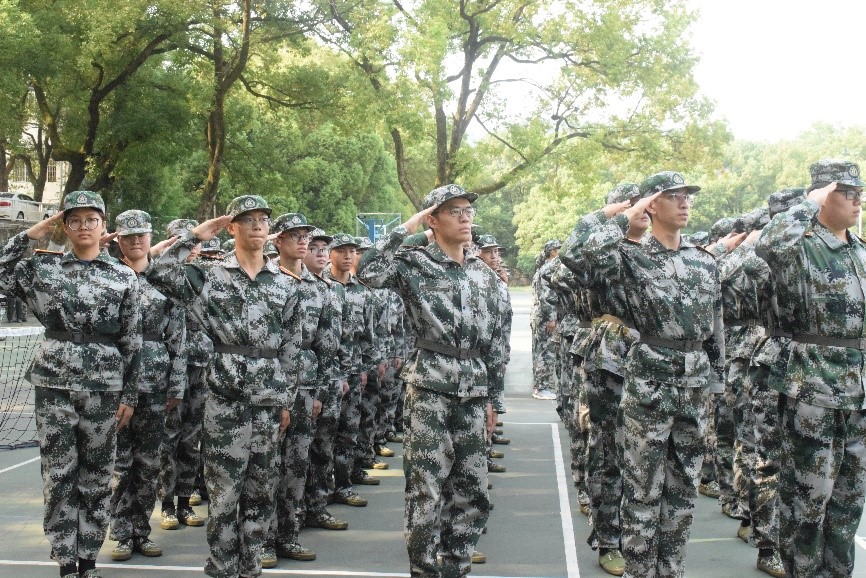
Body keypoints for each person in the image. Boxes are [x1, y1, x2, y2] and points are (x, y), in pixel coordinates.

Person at [576, 171, 733, 578]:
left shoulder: (703, 260)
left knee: (682, 492)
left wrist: (717, 381)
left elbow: (715, 325)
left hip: (694, 384)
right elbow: (581, 253)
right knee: (643, 491)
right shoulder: (630, 257)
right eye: (673, 196)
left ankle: (671, 570)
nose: (684, 203)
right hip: (650, 382)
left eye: (687, 196)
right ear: (651, 205)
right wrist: (622, 215)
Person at [146, 195, 301, 578]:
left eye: (263, 219)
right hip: (225, 402)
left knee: (261, 492)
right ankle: (221, 567)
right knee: (224, 494)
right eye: (247, 219)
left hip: (268, 403)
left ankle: (250, 568)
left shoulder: (285, 284)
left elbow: (290, 348)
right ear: (231, 227)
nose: (257, 225)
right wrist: (195, 235)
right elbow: (157, 270)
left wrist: (287, 401)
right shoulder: (210, 277)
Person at [357, 184, 506, 578]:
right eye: (454, 211)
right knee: (426, 489)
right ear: (433, 220)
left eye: (468, 210)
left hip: (473, 391)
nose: (465, 217)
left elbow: (495, 341)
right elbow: (367, 270)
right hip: (429, 389)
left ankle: (457, 566)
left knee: (473, 490)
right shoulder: (414, 264)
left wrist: (494, 399)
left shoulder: (483, 274)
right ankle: (423, 570)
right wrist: (407, 229)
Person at [0, 190, 141, 578]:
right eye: (74, 220)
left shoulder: (123, 276)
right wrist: (33, 232)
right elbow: (2, 269)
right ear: (64, 225)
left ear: (103, 224)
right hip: (54, 385)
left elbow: (132, 339)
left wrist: (129, 394)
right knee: (58, 474)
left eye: (91, 220)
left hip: (104, 388)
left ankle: (89, 558)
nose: (83, 227)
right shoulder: (43, 269)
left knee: (96, 475)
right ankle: (65, 558)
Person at [756, 160, 866, 578]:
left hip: (858, 394)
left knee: (848, 504)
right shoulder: (798, 246)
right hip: (813, 388)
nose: (858, 201)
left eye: (860, 193)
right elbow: (767, 244)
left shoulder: (860, 251)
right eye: (848, 193)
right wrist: (809, 202)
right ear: (823, 196)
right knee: (807, 502)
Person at [562, 182, 647, 576]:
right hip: (611, 358)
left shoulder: (660, 250)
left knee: (648, 456)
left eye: (648, 203)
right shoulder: (602, 252)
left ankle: (641, 537)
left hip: (655, 360)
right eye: (634, 204)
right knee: (610, 452)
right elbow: (573, 252)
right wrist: (609, 217)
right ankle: (609, 538)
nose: (643, 210)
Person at [109, 210, 187, 562]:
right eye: (128, 236)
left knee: (149, 462)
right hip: (116, 382)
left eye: (141, 234)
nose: (136, 241)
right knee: (119, 464)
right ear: (118, 239)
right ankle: (121, 533)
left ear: (150, 237)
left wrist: (177, 385)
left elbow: (178, 337)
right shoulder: (110, 276)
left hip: (156, 382)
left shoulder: (163, 279)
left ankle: (141, 530)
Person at [263, 213, 337, 565]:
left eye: (305, 235)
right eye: (295, 235)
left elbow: (326, 345)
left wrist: (320, 392)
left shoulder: (319, 287)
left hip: (305, 387)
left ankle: (288, 535)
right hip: (268, 382)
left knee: (296, 464)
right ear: (278, 240)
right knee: (265, 465)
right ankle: (261, 538)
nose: (303, 241)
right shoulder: (265, 279)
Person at [157, 218, 209, 531]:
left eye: (193, 242)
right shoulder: (160, 277)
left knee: (192, 440)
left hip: (200, 369)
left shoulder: (206, 276)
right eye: (180, 241)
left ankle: (184, 502)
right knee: (168, 440)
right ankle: (165, 504)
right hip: (168, 370)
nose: (189, 248)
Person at [302, 228, 351, 532]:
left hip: (330, 379)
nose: (320, 253)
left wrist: (342, 374)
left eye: (323, 248)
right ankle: (292, 511)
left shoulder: (335, 289)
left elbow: (340, 336)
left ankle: (317, 506)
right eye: (314, 248)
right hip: (304, 380)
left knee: (323, 445)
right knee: (298, 450)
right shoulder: (295, 285)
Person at [323, 233, 377, 504]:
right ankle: (320, 491)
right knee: (324, 434)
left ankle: (343, 484)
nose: (348, 256)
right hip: (327, 370)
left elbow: (367, 334)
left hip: (353, 369)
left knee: (348, 429)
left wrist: (366, 367)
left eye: (352, 251)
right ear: (330, 254)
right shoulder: (322, 285)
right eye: (341, 251)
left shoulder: (362, 291)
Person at [530, 239, 560, 400]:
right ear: (553, 252)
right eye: (559, 249)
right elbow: (547, 296)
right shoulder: (549, 269)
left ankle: (539, 386)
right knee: (546, 352)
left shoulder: (542, 268)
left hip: (539, 315)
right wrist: (551, 318)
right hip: (545, 316)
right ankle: (543, 387)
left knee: (540, 351)